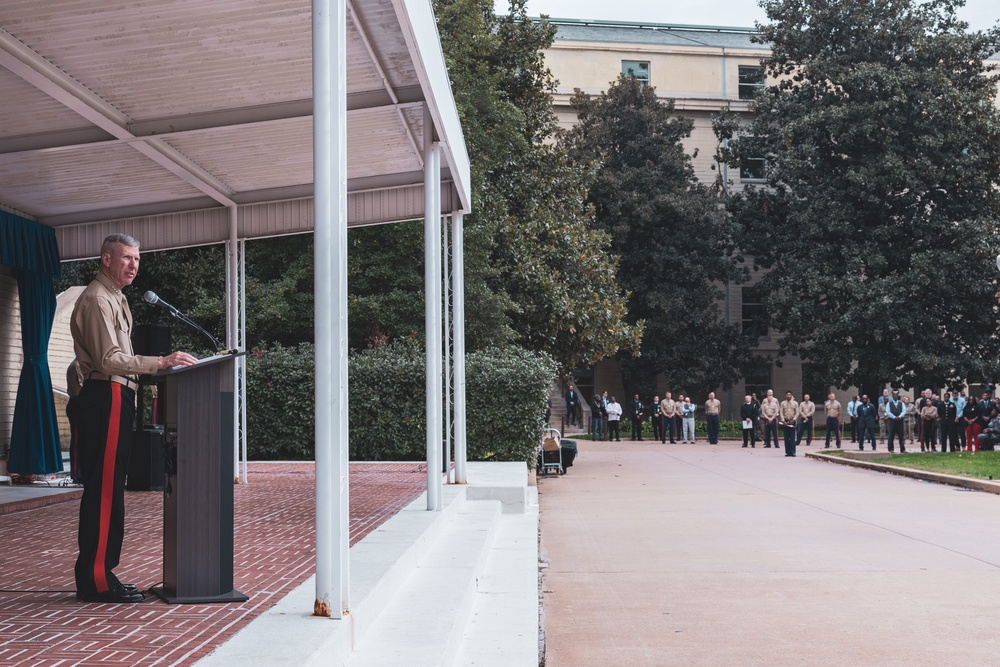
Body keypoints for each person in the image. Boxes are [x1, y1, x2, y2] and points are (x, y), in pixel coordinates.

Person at [71, 233, 197, 604]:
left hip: (118, 394)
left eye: (137, 259)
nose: (133, 265)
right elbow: (109, 358)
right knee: (105, 487)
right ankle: (95, 579)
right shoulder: (96, 299)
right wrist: (159, 362)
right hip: (105, 393)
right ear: (105, 259)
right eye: (126, 257)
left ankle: (102, 574)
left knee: (110, 486)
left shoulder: (115, 298)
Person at [780, 391, 799, 457]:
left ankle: (793, 452)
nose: (788, 396)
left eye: (789, 395)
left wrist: (794, 419)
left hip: (792, 420)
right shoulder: (783, 403)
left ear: (791, 395)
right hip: (785, 420)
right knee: (786, 437)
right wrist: (783, 421)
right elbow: (781, 412)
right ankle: (787, 452)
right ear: (785, 396)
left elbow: (797, 412)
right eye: (787, 395)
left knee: (792, 437)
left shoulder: (795, 403)